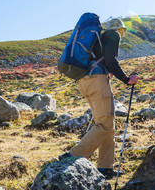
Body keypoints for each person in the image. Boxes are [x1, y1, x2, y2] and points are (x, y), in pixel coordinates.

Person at [59, 17, 139, 179]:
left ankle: (105, 167)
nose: (122, 34)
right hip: (97, 81)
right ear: (119, 29)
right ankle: (72, 156)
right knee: (104, 124)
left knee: (106, 123)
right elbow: (111, 60)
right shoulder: (112, 35)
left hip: (84, 82)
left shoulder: (98, 38)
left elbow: (104, 60)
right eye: (123, 31)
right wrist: (126, 79)